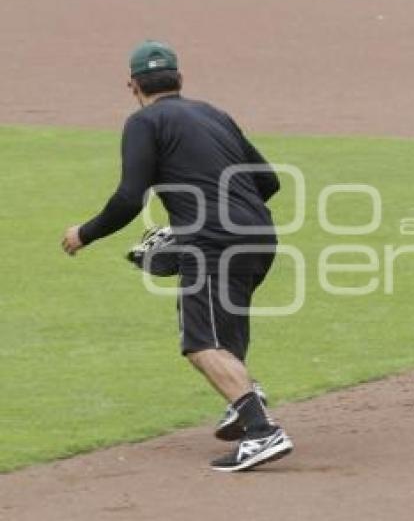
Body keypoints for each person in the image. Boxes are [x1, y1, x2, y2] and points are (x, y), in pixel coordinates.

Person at [61, 40, 293, 471]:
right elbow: (268, 182)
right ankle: (245, 401)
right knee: (224, 329)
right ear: (180, 81)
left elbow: (130, 198)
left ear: (132, 85)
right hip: (260, 236)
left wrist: (84, 233)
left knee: (201, 343)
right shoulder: (212, 114)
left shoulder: (144, 122)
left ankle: (262, 431)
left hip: (214, 243)